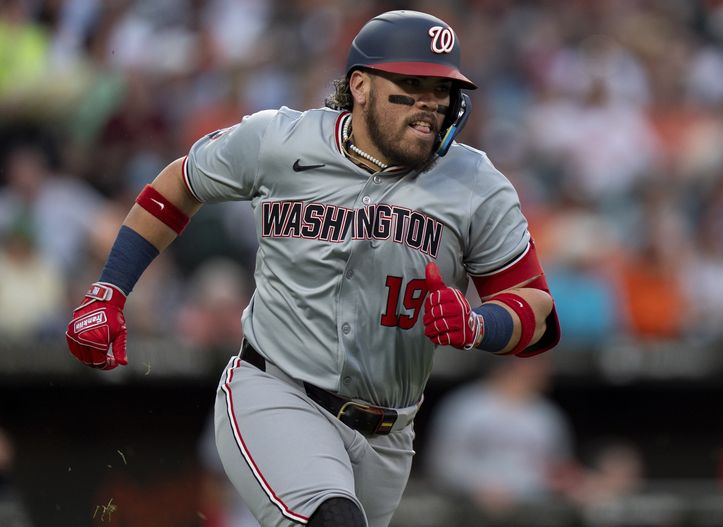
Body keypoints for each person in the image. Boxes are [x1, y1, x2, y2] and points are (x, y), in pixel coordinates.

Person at [65, 10, 560, 527]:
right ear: (361, 86)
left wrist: (481, 324)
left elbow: (539, 312)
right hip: (277, 391)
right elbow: (179, 184)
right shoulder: (280, 140)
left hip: (390, 433)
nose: (430, 105)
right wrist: (109, 290)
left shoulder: (475, 182)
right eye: (411, 85)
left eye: (442, 90)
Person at [426, 354, 577, 516]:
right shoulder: (464, 405)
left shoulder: (548, 415)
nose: (548, 370)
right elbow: (442, 462)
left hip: (529, 510)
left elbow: (558, 470)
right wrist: (480, 487)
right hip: (466, 507)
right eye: (538, 363)